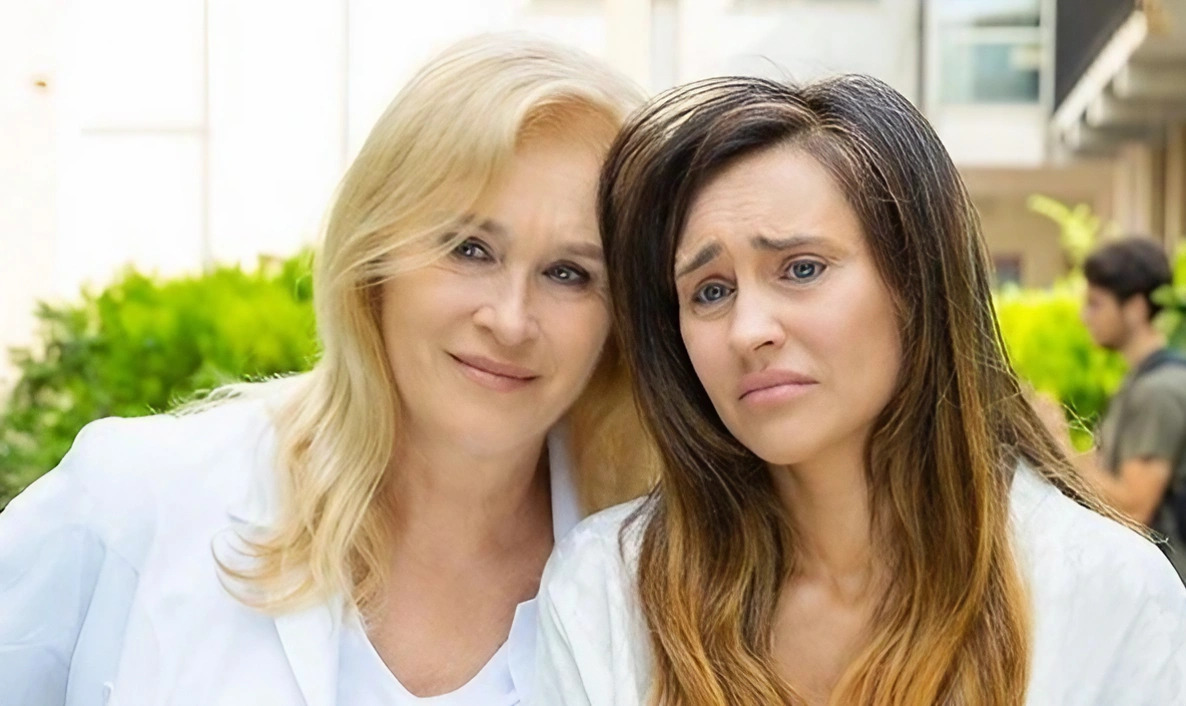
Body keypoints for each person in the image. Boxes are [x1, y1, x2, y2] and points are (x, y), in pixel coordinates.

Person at [0, 33, 653, 706]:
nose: (511, 319)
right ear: (375, 256)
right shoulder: (133, 498)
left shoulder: (666, 589)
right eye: (470, 248)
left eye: (570, 273)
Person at [532, 75, 1186, 705]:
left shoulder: (1103, 593)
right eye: (711, 290)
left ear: (915, 284)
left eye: (801, 268)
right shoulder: (608, 591)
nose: (748, 330)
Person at [1076, 237, 1186, 580]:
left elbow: (1135, 507)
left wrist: (1059, 450)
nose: (1085, 317)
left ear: (1136, 308)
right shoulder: (1139, 383)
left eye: (1096, 304)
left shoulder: (1159, 391)